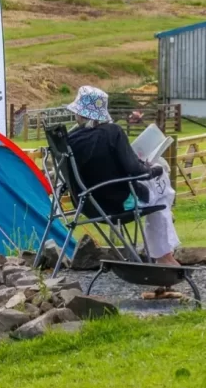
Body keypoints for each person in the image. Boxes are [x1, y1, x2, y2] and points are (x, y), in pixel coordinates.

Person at [64, 86, 181, 267]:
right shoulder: (112, 132)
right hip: (118, 203)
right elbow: (134, 170)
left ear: (79, 114)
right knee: (162, 190)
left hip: (88, 203)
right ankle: (164, 257)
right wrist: (151, 170)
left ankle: (163, 253)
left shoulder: (70, 139)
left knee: (159, 194)